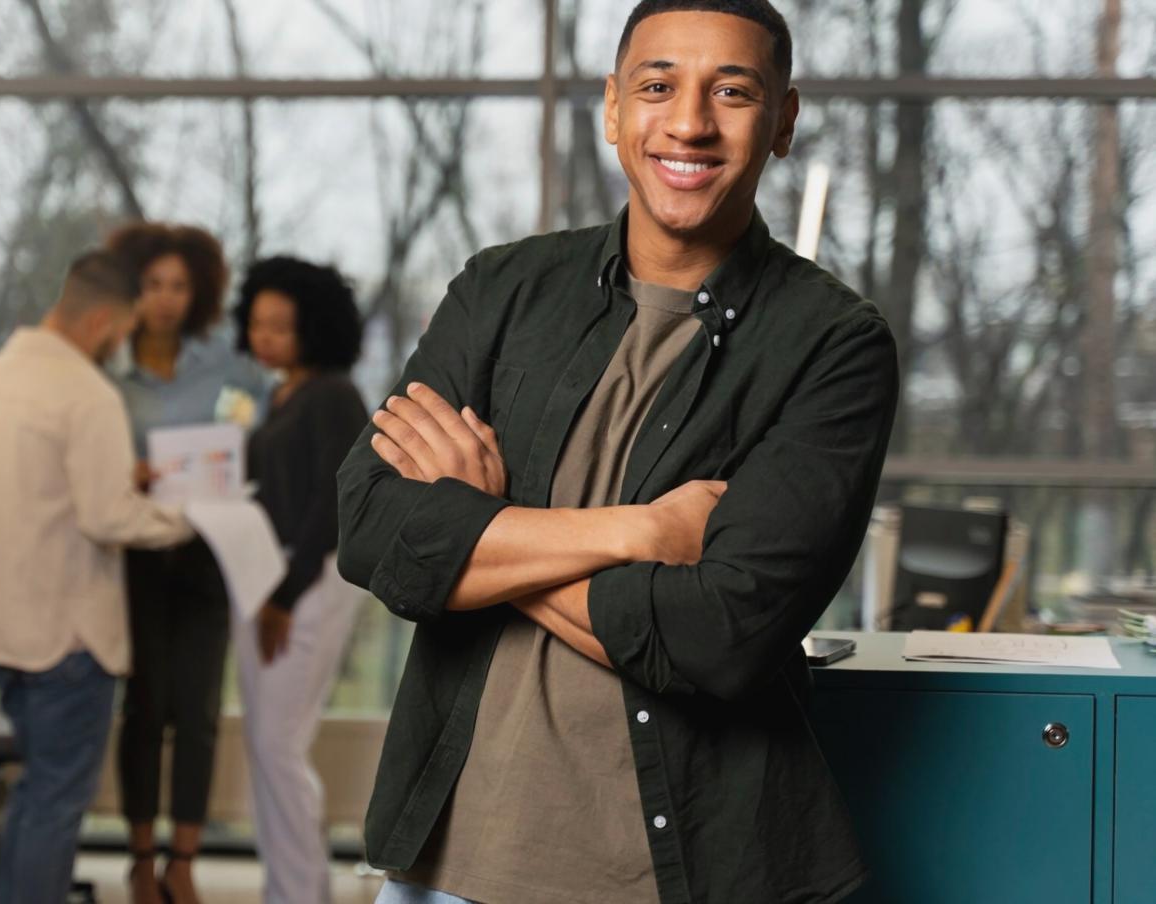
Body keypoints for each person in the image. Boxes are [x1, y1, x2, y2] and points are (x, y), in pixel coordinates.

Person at [337, 2, 900, 903]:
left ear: (782, 121)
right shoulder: (501, 290)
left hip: (678, 878)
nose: (687, 122)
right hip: (443, 867)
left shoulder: (831, 344)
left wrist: (476, 532)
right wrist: (637, 532)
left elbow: (719, 638)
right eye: (656, 85)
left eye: (731, 91)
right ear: (611, 109)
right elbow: (370, 530)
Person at [0, 250, 196, 904]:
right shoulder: (86, 393)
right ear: (104, 320)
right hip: (66, 639)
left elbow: (31, 491)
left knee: (33, 797)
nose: (122, 343)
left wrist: (122, 482)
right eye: (124, 329)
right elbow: (108, 519)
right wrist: (192, 517)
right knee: (53, 806)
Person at [105, 221, 268, 904]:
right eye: (153, 286)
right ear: (131, 291)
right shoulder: (108, 374)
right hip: (136, 553)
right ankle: (140, 857)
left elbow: (259, 423)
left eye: (179, 286)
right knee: (144, 709)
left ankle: (184, 861)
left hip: (209, 550)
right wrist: (128, 471)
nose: (166, 299)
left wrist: (237, 449)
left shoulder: (227, 365)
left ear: (198, 292)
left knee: (198, 710)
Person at [232, 256, 369, 904]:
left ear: (314, 327)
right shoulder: (279, 392)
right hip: (266, 579)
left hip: (306, 582)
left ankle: (300, 894)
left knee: (278, 743)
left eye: (281, 327)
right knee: (266, 744)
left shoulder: (335, 395)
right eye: (257, 324)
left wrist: (282, 597)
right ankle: (286, 888)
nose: (266, 338)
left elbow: (332, 504)